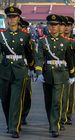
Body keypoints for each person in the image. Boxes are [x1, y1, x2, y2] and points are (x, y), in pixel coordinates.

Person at [35, 14, 75, 137]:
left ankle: (54, 126)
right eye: (51, 25)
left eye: (56, 25)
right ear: (47, 26)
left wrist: (72, 75)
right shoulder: (42, 41)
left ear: (59, 26)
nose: (53, 27)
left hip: (61, 74)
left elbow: (70, 59)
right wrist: (39, 73)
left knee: (57, 101)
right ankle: (51, 122)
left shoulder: (66, 42)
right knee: (48, 101)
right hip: (47, 74)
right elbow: (39, 57)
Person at [0, 6, 35, 138]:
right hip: (4, 70)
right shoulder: (2, 35)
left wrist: (32, 69)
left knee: (16, 99)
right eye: (9, 17)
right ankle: (11, 123)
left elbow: (29, 54)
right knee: (5, 99)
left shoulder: (25, 35)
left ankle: (14, 127)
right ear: (7, 19)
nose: (12, 19)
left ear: (18, 18)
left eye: (14, 17)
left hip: (20, 70)